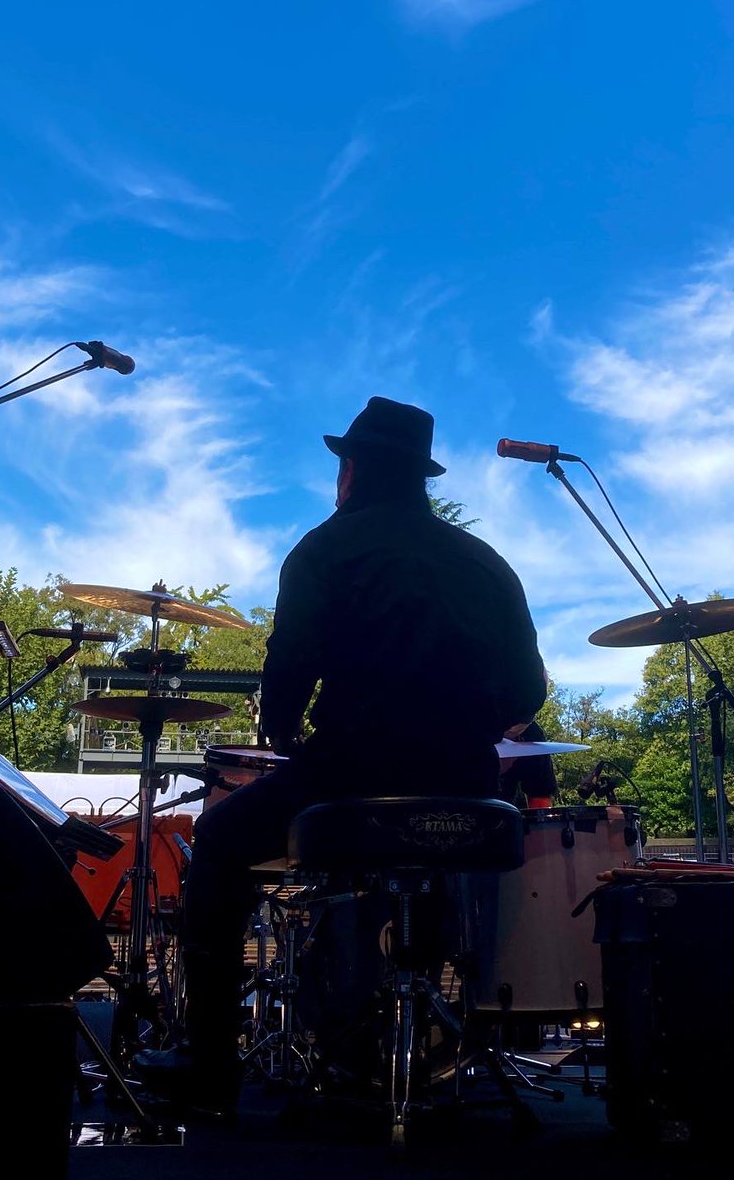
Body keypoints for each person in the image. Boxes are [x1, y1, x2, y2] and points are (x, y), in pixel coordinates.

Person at [150, 396, 547, 1117]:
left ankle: (208, 1067)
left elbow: (288, 669)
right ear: (420, 477)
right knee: (426, 857)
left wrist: (285, 735)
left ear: (352, 471)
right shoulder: (487, 563)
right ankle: (424, 1036)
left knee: (219, 840)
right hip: (465, 788)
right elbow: (528, 690)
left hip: (352, 777)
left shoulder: (325, 548)